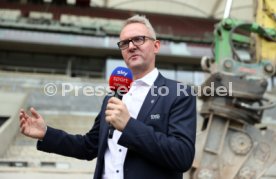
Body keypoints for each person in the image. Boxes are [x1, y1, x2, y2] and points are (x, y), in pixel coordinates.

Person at [19, 15, 197, 179]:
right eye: (125, 43)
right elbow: (88, 146)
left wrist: (129, 126)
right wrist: (46, 134)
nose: (131, 46)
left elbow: (182, 156)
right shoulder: (114, 96)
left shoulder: (179, 93)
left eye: (138, 39)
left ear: (156, 46)